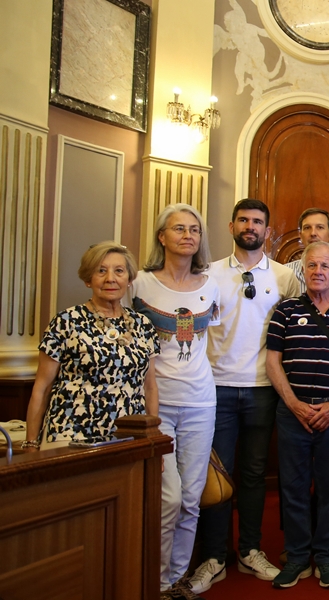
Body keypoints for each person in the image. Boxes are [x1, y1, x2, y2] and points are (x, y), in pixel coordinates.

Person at [190, 199, 297, 593]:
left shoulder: (285, 277)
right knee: (217, 475)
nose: (250, 226)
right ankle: (214, 557)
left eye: (258, 222)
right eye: (244, 220)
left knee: (254, 475)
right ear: (231, 224)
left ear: (267, 230)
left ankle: (250, 550)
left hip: (264, 389)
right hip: (215, 389)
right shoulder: (208, 274)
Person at [130, 204, 221, 600]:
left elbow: (206, 342)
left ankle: (176, 579)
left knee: (190, 497)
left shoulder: (210, 284)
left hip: (201, 402)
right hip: (157, 405)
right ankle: (156, 578)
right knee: (167, 497)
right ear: (162, 236)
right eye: (178, 228)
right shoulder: (138, 284)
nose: (187, 235)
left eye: (194, 230)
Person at [265, 241, 329, 589]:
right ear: (303, 270)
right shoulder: (285, 310)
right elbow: (272, 362)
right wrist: (293, 403)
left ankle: (326, 558)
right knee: (292, 488)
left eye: (325, 266)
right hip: (292, 412)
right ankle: (296, 557)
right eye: (312, 266)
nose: (318, 271)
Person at [24, 242, 158, 449]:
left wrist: (152, 439)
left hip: (128, 438)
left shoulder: (143, 325)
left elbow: (149, 388)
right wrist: (31, 443)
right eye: (101, 271)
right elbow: (42, 388)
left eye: (119, 271)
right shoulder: (66, 321)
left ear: (129, 279)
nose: (110, 278)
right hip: (71, 436)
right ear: (88, 279)